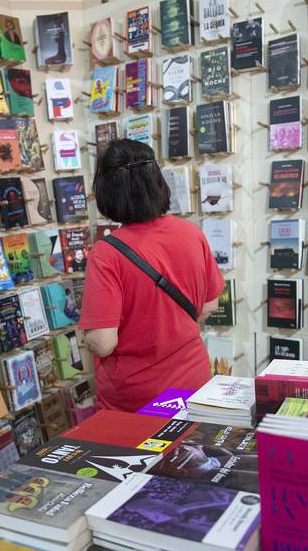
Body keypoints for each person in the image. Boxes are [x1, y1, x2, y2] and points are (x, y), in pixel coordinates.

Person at [79, 139, 223, 412]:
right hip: (193, 381)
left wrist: (86, 337)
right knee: (193, 441)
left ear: (107, 190)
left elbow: (103, 342)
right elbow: (209, 305)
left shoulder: (106, 253)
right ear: (157, 180)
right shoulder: (190, 232)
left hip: (137, 398)